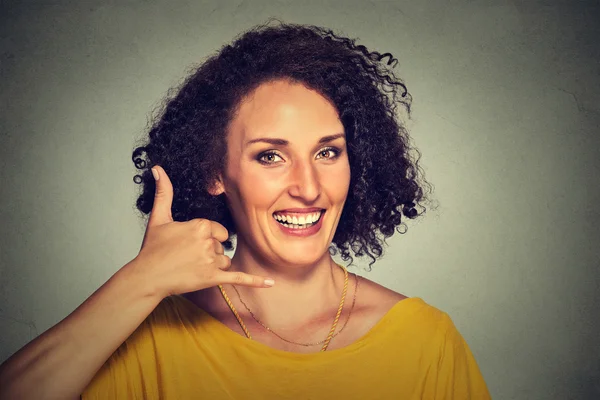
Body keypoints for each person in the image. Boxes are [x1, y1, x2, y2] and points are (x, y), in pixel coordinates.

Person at [0, 19, 491, 399]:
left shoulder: (426, 342)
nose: (308, 188)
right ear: (215, 172)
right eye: (270, 156)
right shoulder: (151, 335)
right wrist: (139, 280)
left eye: (328, 152)